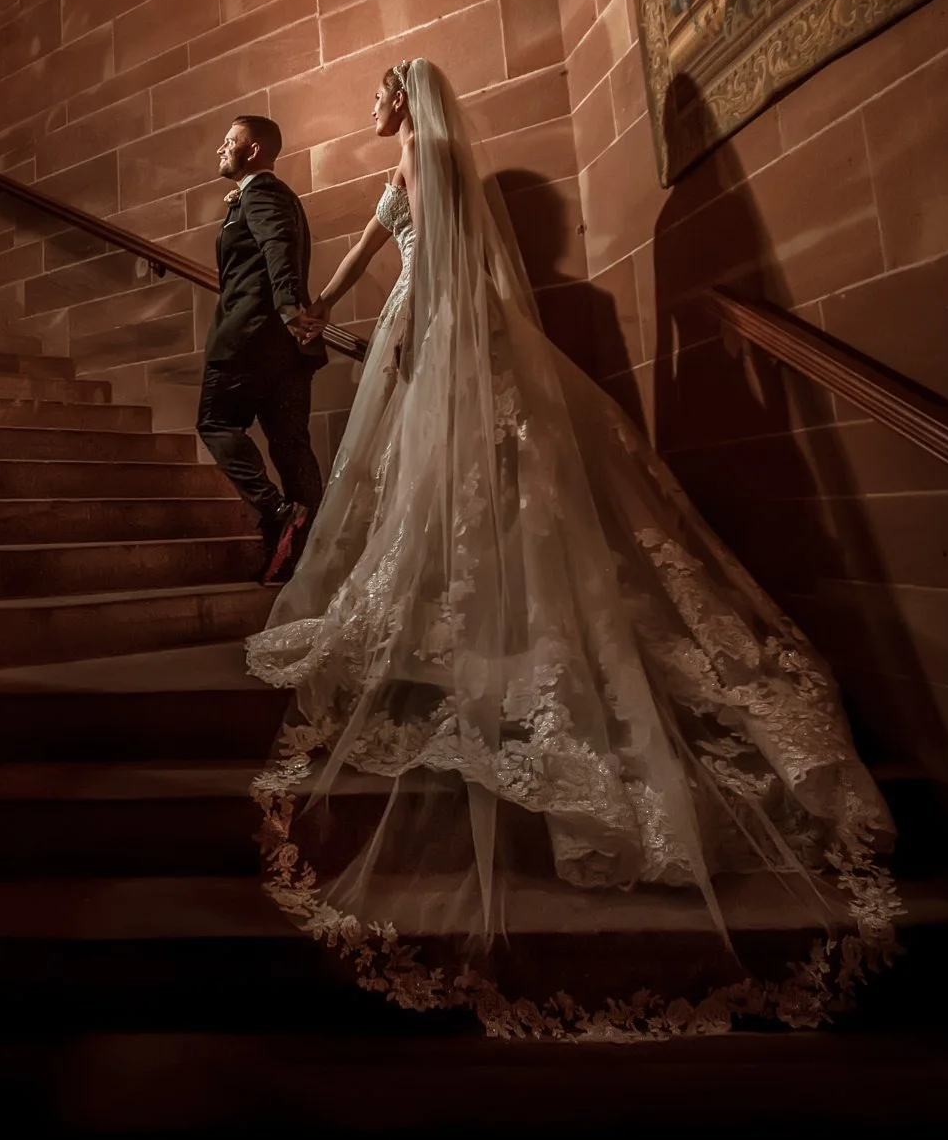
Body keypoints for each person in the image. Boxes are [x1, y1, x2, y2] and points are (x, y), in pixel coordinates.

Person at [245, 58, 900, 1039]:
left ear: (405, 101)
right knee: (454, 493)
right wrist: (322, 308)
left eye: (381, 92)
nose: (374, 107)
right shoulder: (409, 171)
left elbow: (435, 263)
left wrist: (415, 337)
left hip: (445, 324)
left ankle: (482, 629)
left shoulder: (425, 153)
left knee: (466, 491)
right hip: (422, 324)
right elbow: (374, 248)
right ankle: (463, 612)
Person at [199, 114, 329, 584]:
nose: (220, 149)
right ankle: (304, 557)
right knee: (291, 444)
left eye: (229, 141)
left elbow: (278, 244)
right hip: (286, 349)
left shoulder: (264, 192)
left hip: (251, 337)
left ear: (252, 151)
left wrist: (291, 306)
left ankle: (278, 513)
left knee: (215, 422)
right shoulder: (261, 196)